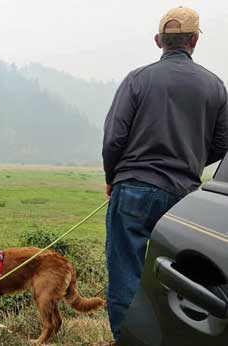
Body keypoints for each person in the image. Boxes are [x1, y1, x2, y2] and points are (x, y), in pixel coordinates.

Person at [101, 6, 228, 345]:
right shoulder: (215, 87)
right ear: (195, 41)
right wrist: (191, 160)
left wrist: (113, 177)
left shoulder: (137, 79)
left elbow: (114, 138)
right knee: (178, 280)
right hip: (185, 197)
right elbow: (222, 144)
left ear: (159, 41)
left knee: (126, 273)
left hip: (133, 190)